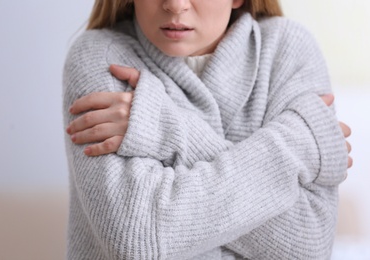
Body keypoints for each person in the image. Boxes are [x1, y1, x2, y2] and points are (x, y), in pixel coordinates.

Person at [63, 0, 352, 259]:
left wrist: (168, 128)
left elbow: (309, 246)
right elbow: (137, 238)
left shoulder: (289, 48)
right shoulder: (100, 54)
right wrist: (292, 147)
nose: (175, 6)